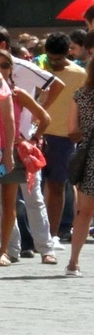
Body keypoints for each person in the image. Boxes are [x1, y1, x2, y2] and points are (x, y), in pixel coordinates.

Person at [38, 33, 84, 246]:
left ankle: (53, 234)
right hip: (35, 134)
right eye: (50, 58)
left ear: (68, 53)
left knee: (56, 186)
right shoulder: (39, 69)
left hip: (63, 137)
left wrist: (79, 129)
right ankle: (34, 236)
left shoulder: (79, 74)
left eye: (58, 59)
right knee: (32, 190)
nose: (53, 63)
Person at [66, 64, 94, 276]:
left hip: (89, 155)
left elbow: (72, 130)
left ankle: (73, 262)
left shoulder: (81, 95)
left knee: (84, 212)